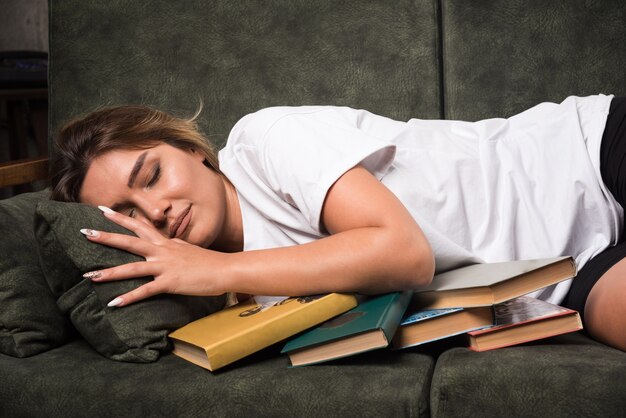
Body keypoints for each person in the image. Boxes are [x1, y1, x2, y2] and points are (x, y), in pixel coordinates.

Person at [50, 94, 626, 351]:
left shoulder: (263, 140)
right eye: (125, 213)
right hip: (564, 274)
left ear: (191, 149)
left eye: (151, 176)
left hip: (585, 154)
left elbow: (405, 254)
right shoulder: (231, 297)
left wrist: (211, 268)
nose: (155, 212)